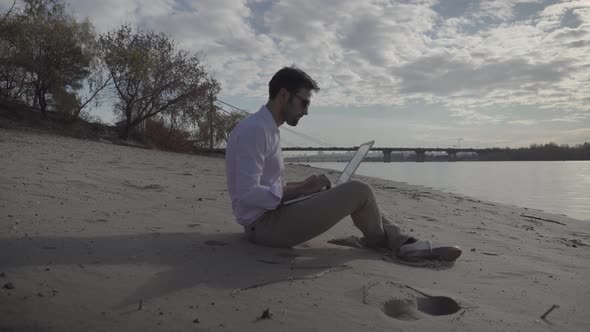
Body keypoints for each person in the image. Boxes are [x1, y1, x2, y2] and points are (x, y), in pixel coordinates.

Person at [225, 66, 461, 262]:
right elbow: (248, 193)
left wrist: (306, 185)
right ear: (284, 95)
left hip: (272, 216)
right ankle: (392, 243)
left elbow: (270, 185)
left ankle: (406, 242)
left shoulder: (268, 129)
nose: (306, 111)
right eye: (304, 103)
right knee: (360, 190)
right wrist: (300, 190)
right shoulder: (256, 131)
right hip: (264, 227)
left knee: (359, 196)